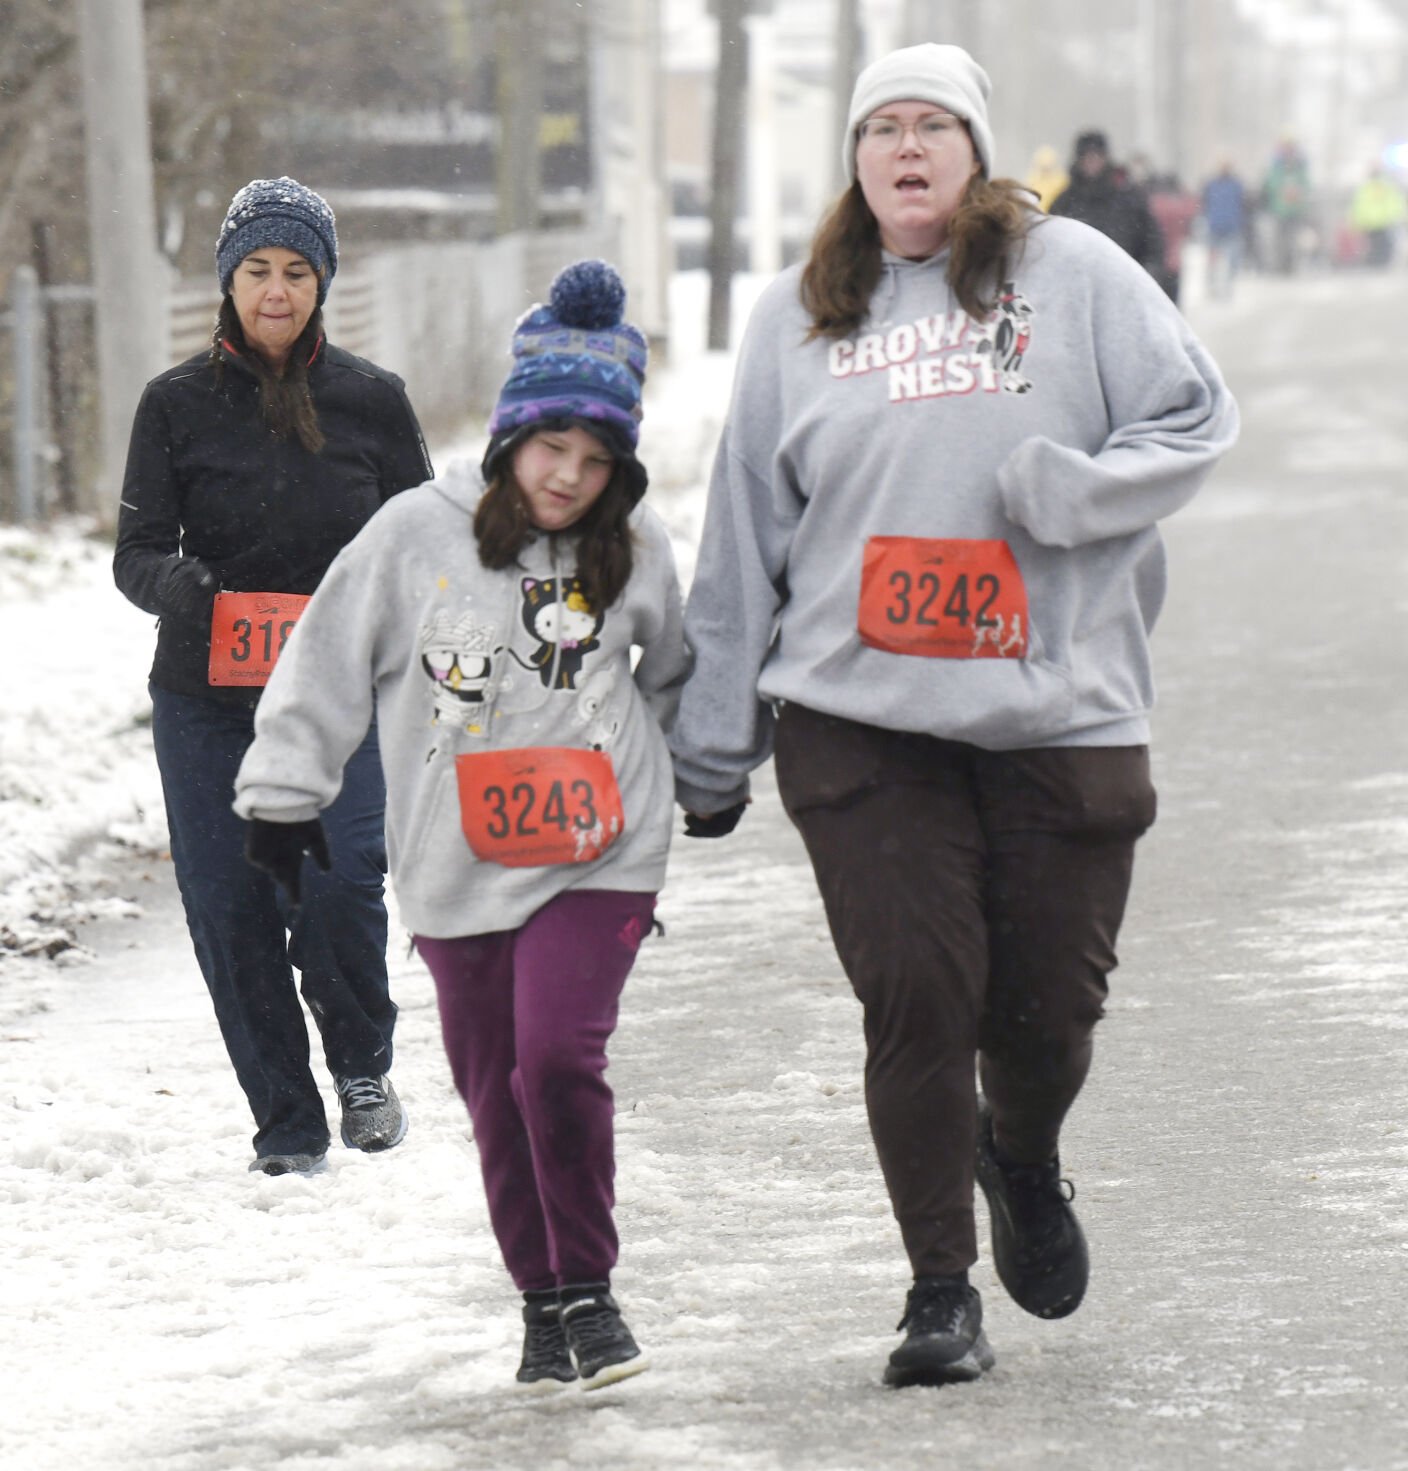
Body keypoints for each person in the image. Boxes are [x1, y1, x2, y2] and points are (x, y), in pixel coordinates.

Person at [669, 43, 1239, 1389]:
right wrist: (710, 740)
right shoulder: (804, 312)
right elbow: (742, 532)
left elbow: (1193, 417)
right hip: (859, 714)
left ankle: (1021, 1149)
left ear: (977, 152)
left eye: (934, 126)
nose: (907, 149)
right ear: (856, 158)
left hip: (1061, 708)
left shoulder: (1074, 276)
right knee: (919, 992)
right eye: (882, 129)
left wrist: (1073, 491)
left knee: (1046, 1016)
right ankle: (939, 1289)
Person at [233, 259, 686, 1391]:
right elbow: (324, 661)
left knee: (556, 1057)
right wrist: (285, 796)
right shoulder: (409, 537)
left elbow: (682, 671)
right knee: (495, 1088)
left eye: (595, 462)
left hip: (600, 855)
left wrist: (705, 769)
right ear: (505, 442)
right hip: (457, 858)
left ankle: (591, 1286)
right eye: (550, 452)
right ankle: (542, 1302)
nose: (569, 479)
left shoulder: (637, 549)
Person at [113, 178, 432, 1177]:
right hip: (205, 703)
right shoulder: (173, 405)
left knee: (339, 885)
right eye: (258, 270)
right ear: (229, 282)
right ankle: (287, 1128)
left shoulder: (372, 402)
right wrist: (178, 583)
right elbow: (132, 552)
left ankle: (363, 1062)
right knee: (230, 907)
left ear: (322, 282)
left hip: (337, 701)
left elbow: (424, 544)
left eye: (297, 271)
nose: (278, 289)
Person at [1050, 129, 1165, 281]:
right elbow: (1053, 247)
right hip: (1077, 284)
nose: (1092, 162)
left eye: (1096, 156)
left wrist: (1148, 272)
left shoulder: (1128, 198)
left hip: (1124, 282)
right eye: (1086, 157)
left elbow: (1151, 240)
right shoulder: (1065, 202)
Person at [1146, 172, 1201, 305]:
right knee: (1172, 304)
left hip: (1154, 262)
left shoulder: (1151, 204)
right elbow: (1191, 214)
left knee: (1155, 301)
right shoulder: (1177, 206)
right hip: (1174, 261)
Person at [1261, 139, 1312, 273]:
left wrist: (1297, 192)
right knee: (1280, 240)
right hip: (1279, 210)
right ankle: (1281, 265)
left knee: (1294, 240)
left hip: (1295, 210)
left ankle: (1293, 264)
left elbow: (1306, 186)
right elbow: (1270, 186)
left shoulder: (1300, 169)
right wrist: (1283, 191)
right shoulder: (1276, 169)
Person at [1201, 159, 1247, 300]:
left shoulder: (1236, 185)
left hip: (1231, 227)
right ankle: (1212, 286)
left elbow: (1243, 204)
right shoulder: (1211, 184)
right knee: (1212, 260)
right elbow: (1204, 202)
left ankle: (1228, 286)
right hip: (1215, 226)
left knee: (1232, 260)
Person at [1347, 164, 1406, 268]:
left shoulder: (1378, 187)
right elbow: (1359, 206)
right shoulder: (1379, 187)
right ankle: (1376, 265)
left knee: (1380, 247)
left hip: (1379, 223)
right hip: (1375, 223)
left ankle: (1378, 265)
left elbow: (1394, 203)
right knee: (1376, 247)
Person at [1024, 144, 1068, 213]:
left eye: (1048, 167)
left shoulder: (1062, 181)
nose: (1046, 169)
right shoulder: (1033, 180)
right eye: (1044, 167)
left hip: (1053, 214)